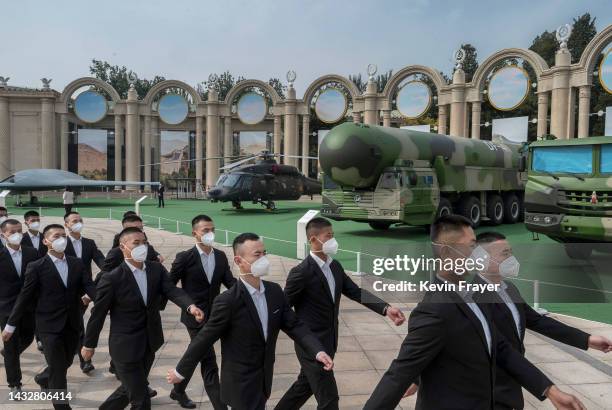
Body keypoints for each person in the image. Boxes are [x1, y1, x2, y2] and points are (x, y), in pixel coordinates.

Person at [364, 215, 585, 410]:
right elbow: (399, 374)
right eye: (471, 247)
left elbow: (501, 349)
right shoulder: (434, 311)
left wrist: (551, 391)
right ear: (447, 252)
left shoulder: (475, 294)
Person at [166, 233, 334, 410]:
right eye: (257, 254)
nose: (263, 258)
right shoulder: (228, 301)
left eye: (264, 253)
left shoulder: (274, 292)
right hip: (241, 383)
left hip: (264, 378)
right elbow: (204, 338)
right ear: (238, 261)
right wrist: (181, 371)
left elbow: (295, 325)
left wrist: (317, 350)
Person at [275, 217, 406, 410]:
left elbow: (355, 291)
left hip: (329, 341)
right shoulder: (301, 272)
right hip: (311, 345)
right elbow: (284, 309)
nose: (333, 241)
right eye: (328, 237)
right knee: (329, 400)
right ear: (313, 240)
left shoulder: (334, 266)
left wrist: (386, 308)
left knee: (304, 386)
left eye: (333, 236)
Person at [473, 231, 612, 410]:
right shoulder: (475, 297)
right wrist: (549, 390)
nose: (512, 259)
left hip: (512, 385)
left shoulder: (508, 288)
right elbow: (500, 350)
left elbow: (538, 321)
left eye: (511, 252)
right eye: (505, 254)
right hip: (489, 392)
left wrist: (587, 340)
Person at [81, 227, 204, 410]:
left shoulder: (156, 269)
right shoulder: (112, 278)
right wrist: (89, 344)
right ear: (123, 247)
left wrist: (190, 306)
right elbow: (97, 314)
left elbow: (172, 290)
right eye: (136, 243)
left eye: (144, 242)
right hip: (125, 346)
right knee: (141, 399)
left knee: (129, 389)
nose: (142, 247)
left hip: (150, 341)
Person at [2, 224, 96, 410]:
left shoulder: (76, 263)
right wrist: (11, 325)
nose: (61, 239)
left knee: (67, 361)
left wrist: (104, 302)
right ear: (46, 241)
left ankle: (43, 378)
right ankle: (62, 406)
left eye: (63, 235)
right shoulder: (36, 266)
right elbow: (25, 296)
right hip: (48, 325)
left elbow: (90, 287)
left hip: (72, 322)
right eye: (55, 236)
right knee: (59, 368)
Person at [167, 214, 236, 409]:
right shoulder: (184, 257)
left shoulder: (221, 256)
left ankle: (178, 391)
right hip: (194, 318)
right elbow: (170, 286)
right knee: (209, 362)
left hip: (215, 317)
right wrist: (188, 306)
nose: (210, 233)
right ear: (194, 233)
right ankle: (220, 406)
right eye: (205, 230)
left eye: (212, 229)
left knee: (196, 354)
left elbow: (230, 283)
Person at [0, 219, 40, 396]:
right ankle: (14, 384)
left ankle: (10, 354)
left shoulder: (32, 253)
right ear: (3, 235)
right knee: (10, 347)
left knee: (28, 337)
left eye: (19, 231)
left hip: (29, 307)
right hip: (6, 309)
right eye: (12, 232)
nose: (17, 235)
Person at [63, 211, 106, 374]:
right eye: (74, 221)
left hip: (84, 291)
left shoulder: (89, 243)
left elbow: (103, 263)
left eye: (80, 220)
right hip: (65, 291)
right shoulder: (61, 243)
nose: (78, 222)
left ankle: (84, 360)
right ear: (66, 224)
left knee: (78, 324)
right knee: (74, 325)